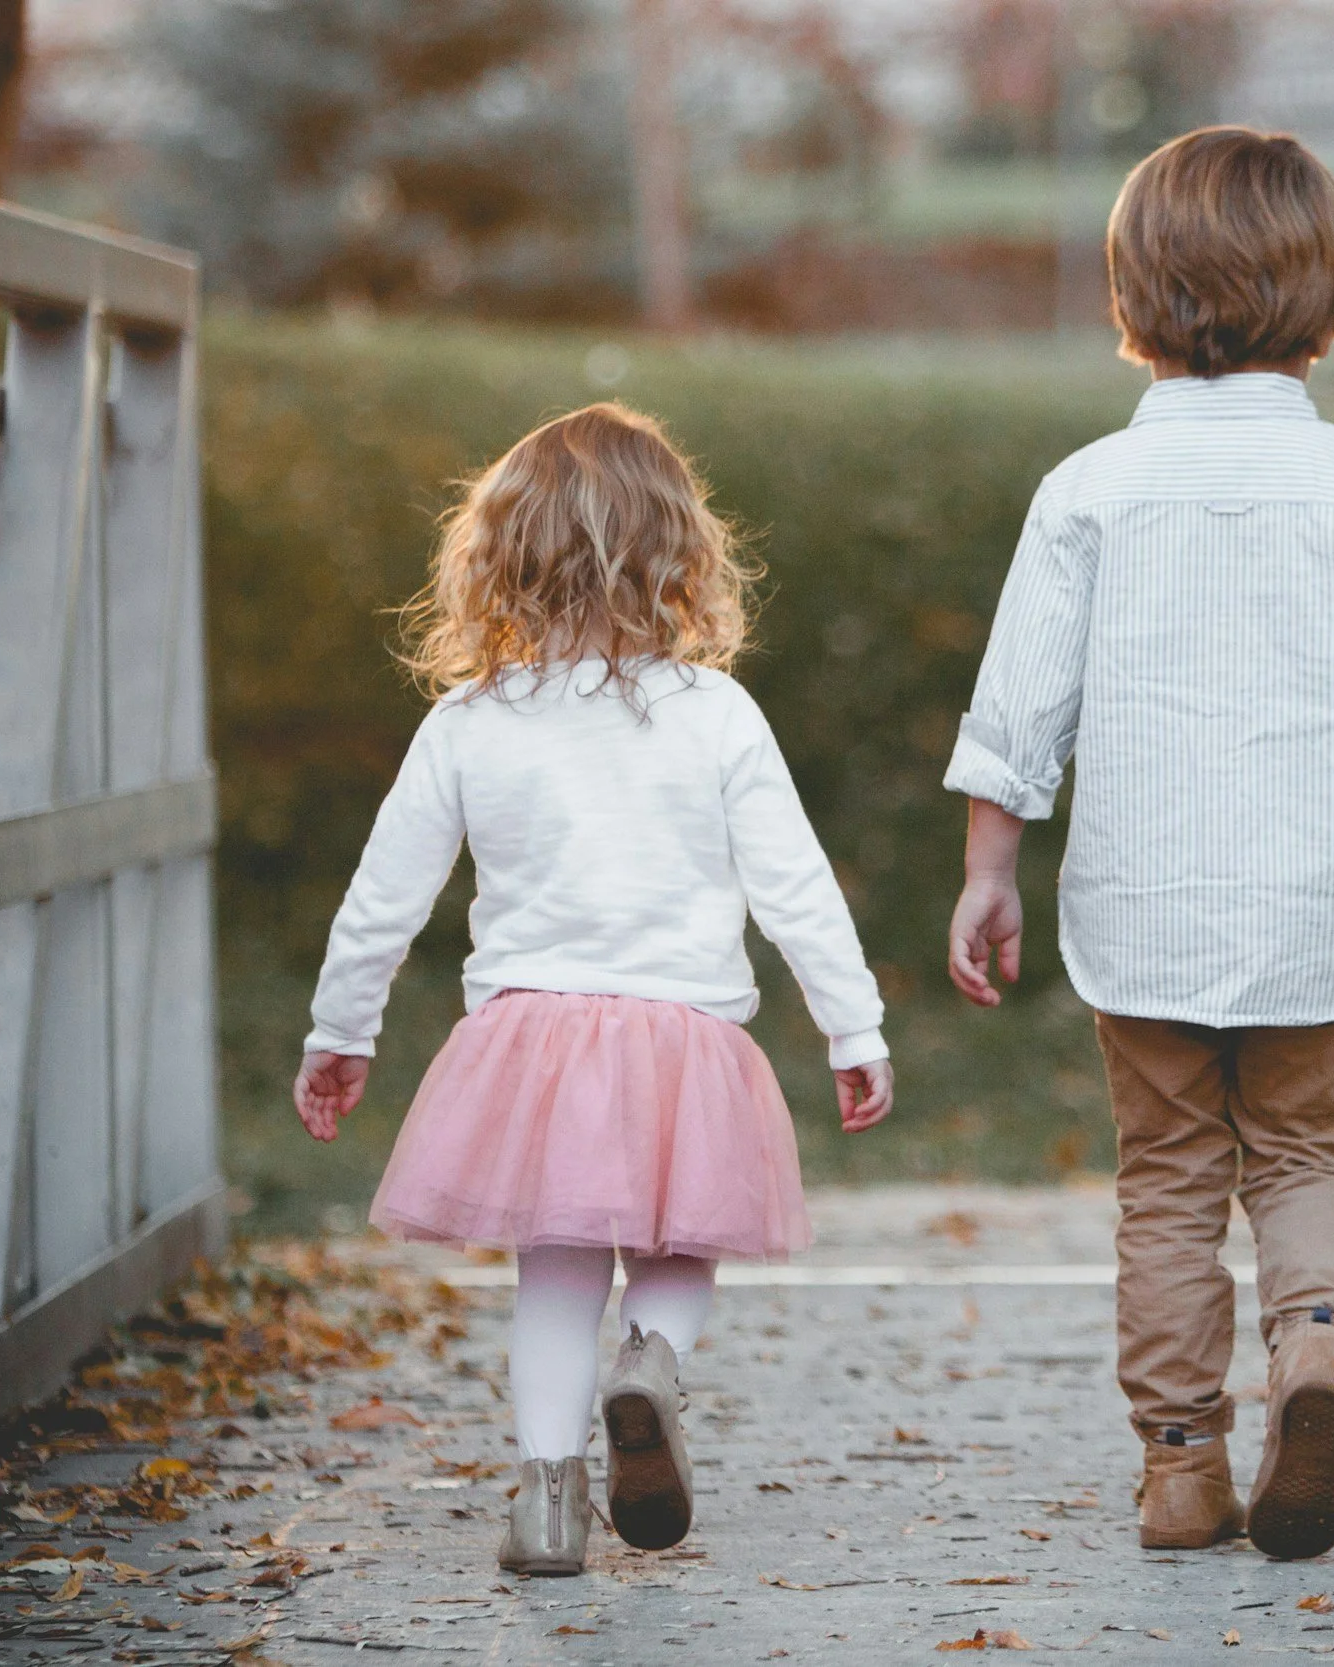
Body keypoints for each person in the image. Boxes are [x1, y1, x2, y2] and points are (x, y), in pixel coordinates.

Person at [943, 127, 1334, 1560]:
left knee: (1171, 1182)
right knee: (1311, 1154)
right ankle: (1314, 1346)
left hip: (1145, 910)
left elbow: (1020, 701)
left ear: (1135, 291)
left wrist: (990, 866)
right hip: (1313, 913)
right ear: (1327, 292)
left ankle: (1182, 1466)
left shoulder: (1087, 490)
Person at [295, 402, 893, 1577]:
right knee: (682, 1243)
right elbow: (795, 887)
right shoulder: (717, 712)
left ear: (496, 557)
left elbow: (385, 894)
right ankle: (653, 1364)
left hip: (532, 1046)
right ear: (680, 552)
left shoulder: (468, 722)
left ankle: (547, 1505)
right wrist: (852, 1022)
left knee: (554, 1269)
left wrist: (339, 1026)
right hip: (685, 1037)